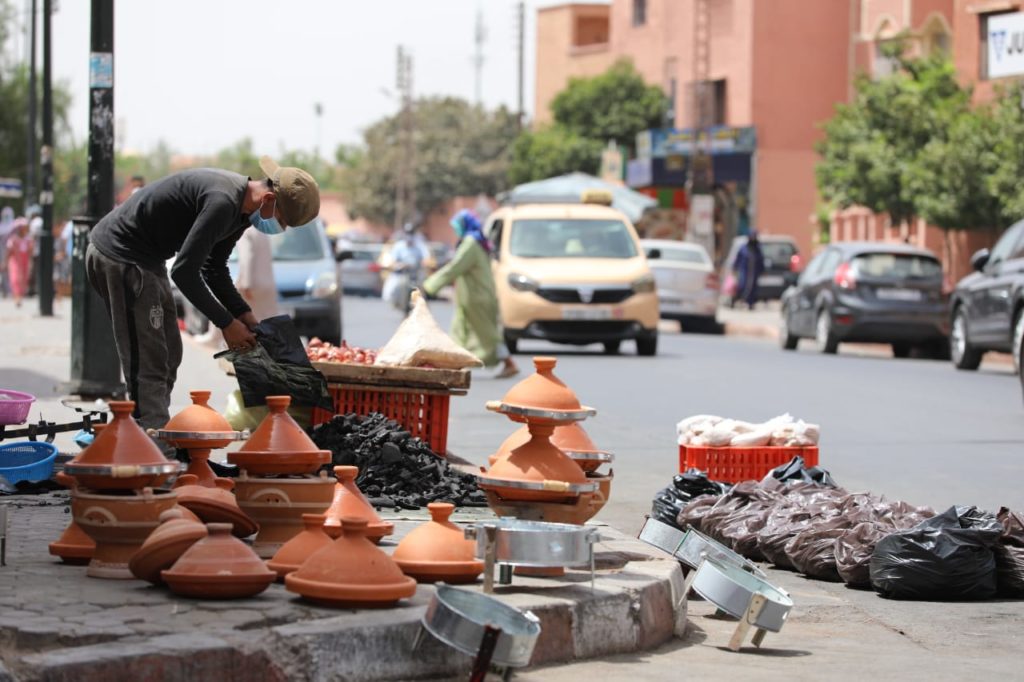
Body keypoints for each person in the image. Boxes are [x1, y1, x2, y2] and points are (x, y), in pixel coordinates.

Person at [86, 156, 320, 432]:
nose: (280, 228)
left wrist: (243, 314)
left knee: (170, 353)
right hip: (121, 256)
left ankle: (149, 430)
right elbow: (184, 273)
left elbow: (214, 267)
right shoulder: (223, 202)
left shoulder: (244, 211)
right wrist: (227, 325)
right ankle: (150, 442)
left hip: (147, 260)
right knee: (148, 360)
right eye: (282, 220)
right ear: (268, 198)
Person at [422, 209, 518, 379]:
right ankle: (455, 365)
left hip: (478, 298)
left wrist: (429, 286)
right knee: (459, 331)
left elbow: (455, 267)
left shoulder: (470, 244)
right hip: (471, 298)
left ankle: (508, 362)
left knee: (487, 334)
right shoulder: (477, 242)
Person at [383, 222, 430, 312]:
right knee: (392, 291)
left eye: (411, 233)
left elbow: (426, 258)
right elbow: (393, 261)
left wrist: (424, 263)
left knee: (422, 292)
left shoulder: (419, 246)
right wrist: (400, 265)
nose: (409, 236)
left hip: (416, 274)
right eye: (408, 233)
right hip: (402, 274)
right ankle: (398, 304)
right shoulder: (399, 246)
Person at [234, 227, 278, 322]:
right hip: (267, 284)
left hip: (253, 285)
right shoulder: (262, 230)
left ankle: (212, 336)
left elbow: (247, 257)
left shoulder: (245, 231)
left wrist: (246, 284)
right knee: (268, 322)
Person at [5, 217, 34, 308]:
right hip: (15, 260)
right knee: (15, 278)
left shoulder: (28, 239)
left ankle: (20, 295)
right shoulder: (13, 239)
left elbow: (30, 251)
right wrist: (5, 262)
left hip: (25, 260)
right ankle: (17, 297)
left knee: (24, 279)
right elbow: (9, 251)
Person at [733, 230, 765, 310]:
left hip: (754, 272)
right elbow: (738, 259)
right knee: (742, 286)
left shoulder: (757, 248)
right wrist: (735, 267)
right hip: (744, 271)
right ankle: (739, 301)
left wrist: (762, 270)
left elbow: (761, 260)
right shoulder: (743, 248)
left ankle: (750, 303)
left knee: (753, 288)